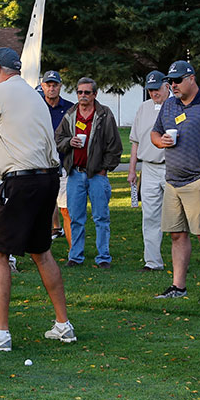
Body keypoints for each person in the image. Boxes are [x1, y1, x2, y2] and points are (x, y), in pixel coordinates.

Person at [0, 47, 73, 351]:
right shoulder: (32, 95)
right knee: (41, 251)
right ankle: (63, 326)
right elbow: (8, 154)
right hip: (47, 179)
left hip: (22, 184)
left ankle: (0, 334)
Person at [150, 60, 200, 303]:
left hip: (197, 181)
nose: (172, 85)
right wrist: (158, 141)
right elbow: (155, 132)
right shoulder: (169, 105)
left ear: (191, 78)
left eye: (177, 80)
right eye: (170, 81)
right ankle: (178, 286)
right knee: (176, 235)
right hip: (173, 181)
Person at [54, 77, 122, 269]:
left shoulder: (104, 114)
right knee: (76, 218)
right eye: (80, 92)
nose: (83, 96)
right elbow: (58, 139)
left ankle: (103, 258)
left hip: (97, 176)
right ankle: (75, 256)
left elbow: (115, 146)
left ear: (95, 94)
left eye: (87, 92)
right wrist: (69, 142)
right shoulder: (70, 114)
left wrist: (104, 169)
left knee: (101, 217)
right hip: (75, 174)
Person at [127, 71, 170, 272]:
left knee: (178, 217)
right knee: (150, 215)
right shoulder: (143, 108)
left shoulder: (177, 105)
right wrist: (132, 170)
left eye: (157, 89)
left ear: (166, 86)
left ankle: (181, 258)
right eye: (150, 90)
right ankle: (152, 262)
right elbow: (135, 141)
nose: (154, 93)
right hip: (149, 167)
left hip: (172, 167)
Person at [41, 70, 73, 239]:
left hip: (64, 163)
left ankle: (73, 252)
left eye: (55, 85)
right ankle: (42, 248)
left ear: (60, 86)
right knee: (41, 209)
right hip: (40, 164)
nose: (51, 88)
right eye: (48, 85)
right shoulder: (35, 106)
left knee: (66, 209)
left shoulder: (70, 108)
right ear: (42, 86)